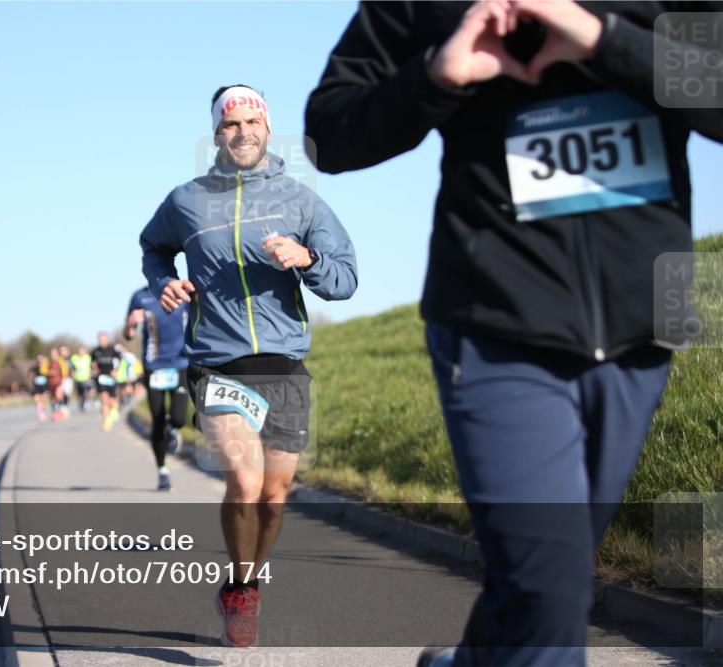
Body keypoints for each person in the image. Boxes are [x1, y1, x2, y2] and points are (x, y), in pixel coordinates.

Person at [305, 2, 723, 665]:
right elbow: (328, 133)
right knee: (549, 589)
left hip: (643, 325)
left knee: (543, 576)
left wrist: (602, 38)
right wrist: (435, 76)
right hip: (495, 323)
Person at [141, 84, 358, 647]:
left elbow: (345, 279)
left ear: (267, 128)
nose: (242, 132)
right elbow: (154, 247)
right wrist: (165, 282)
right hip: (217, 364)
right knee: (244, 480)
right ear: (217, 133)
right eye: (230, 124)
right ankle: (241, 593)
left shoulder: (301, 201)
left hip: (284, 366)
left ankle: (246, 583)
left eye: (251, 122)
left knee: (274, 497)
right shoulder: (187, 200)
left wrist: (306, 258)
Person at [125, 285, 190, 491]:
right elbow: (128, 334)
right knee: (158, 419)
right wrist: (130, 323)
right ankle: (162, 470)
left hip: (181, 364)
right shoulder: (139, 297)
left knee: (178, 417)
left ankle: (174, 429)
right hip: (154, 366)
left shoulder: (184, 290)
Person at [91, 332, 121, 431]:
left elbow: (119, 361)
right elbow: (92, 363)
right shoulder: (95, 351)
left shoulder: (113, 350)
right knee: (104, 399)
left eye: (103, 339)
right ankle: (107, 420)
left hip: (111, 378)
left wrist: (115, 371)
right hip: (101, 378)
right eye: (100, 340)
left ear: (107, 339)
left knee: (112, 401)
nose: (101, 341)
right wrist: (94, 369)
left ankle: (113, 409)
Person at [47, 347, 70, 422]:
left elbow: (65, 371)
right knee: (53, 399)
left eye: (54, 353)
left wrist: (61, 375)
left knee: (59, 396)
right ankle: (54, 413)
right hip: (51, 382)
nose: (53, 354)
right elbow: (43, 370)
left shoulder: (60, 361)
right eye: (51, 353)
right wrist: (49, 372)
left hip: (59, 382)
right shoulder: (48, 362)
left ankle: (62, 411)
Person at [28, 353, 50, 423]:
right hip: (36, 387)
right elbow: (30, 377)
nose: (40, 360)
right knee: (37, 402)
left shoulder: (47, 367)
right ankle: (40, 413)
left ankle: (43, 413)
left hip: (45, 387)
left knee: (43, 403)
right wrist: (31, 385)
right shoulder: (34, 368)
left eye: (41, 358)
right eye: (38, 359)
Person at [70, 346, 93, 412]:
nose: (81, 352)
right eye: (80, 350)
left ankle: (85, 402)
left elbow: (92, 366)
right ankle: (81, 402)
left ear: (85, 351)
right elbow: (72, 366)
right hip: (78, 378)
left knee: (86, 391)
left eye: (83, 350)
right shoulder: (74, 358)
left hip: (87, 378)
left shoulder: (89, 358)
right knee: (80, 393)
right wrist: (72, 371)